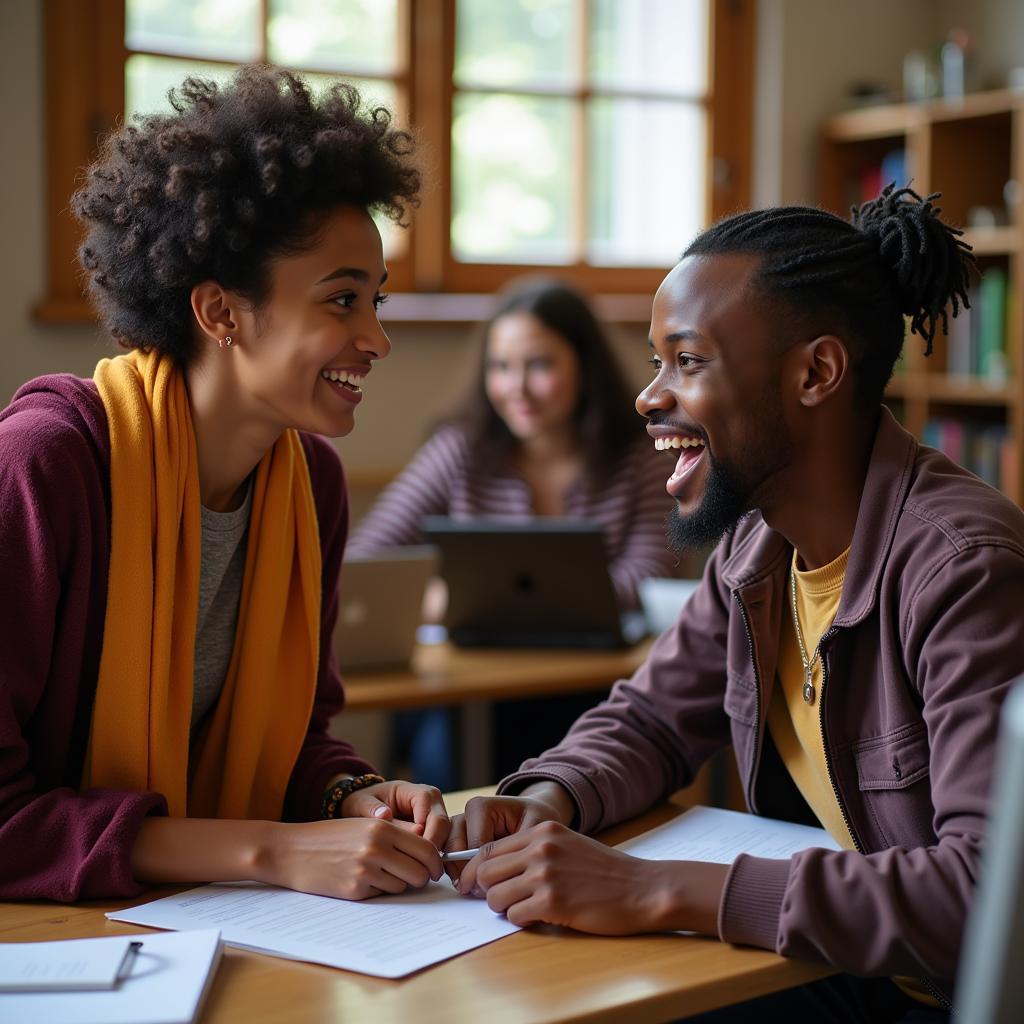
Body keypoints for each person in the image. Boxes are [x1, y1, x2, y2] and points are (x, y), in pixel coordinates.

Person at [444, 186, 1024, 1021]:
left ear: (816, 373)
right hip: (834, 967)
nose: (649, 397)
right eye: (655, 362)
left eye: (687, 360)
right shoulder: (757, 549)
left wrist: (655, 891)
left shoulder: (965, 572)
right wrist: (548, 800)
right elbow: (649, 719)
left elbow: (984, 893)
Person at [0, 67, 451, 904]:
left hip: (205, 920)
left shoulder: (310, 483)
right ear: (221, 314)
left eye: (375, 302)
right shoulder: (45, 466)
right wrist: (267, 853)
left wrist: (350, 794)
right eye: (343, 301)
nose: (376, 340)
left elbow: (297, 742)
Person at [346, 278, 680, 786]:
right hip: (470, 695)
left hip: (595, 689)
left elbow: (649, 575)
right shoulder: (460, 449)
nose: (516, 387)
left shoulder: (639, 456)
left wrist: (483, 600)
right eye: (500, 367)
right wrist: (442, 598)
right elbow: (367, 560)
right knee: (449, 763)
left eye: (540, 365)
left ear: (584, 368)